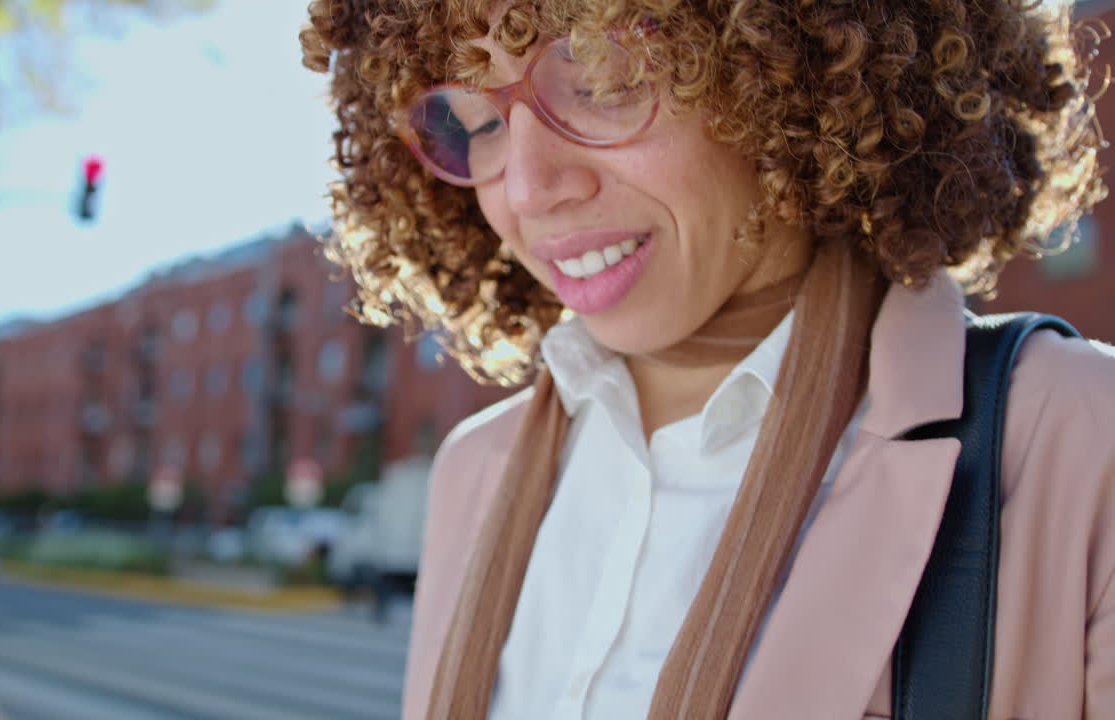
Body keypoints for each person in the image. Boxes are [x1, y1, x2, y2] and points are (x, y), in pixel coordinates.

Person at [300, 1, 1115, 718]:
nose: (527, 189)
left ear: (791, 71)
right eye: (474, 123)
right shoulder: (474, 471)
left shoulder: (1077, 442)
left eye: (606, 76)